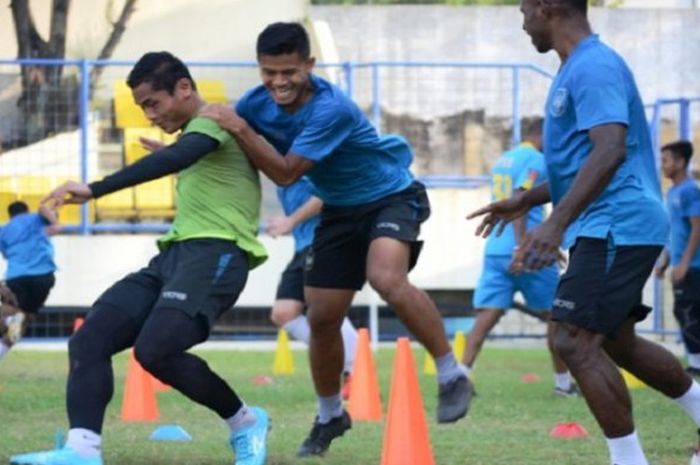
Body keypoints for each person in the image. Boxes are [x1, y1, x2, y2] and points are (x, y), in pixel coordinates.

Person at [201, 22, 472, 457]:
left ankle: (451, 374)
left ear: (308, 64)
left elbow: (286, 171)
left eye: (289, 71)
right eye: (269, 72)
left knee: (386, 278)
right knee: (323, 317)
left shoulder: (333, 109)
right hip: (339, 209)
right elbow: (225, 139)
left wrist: (238, 127)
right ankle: (330, 415)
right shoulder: (256, 103)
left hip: (390, 196)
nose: (278, 82)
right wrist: (179, 153)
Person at [10, 52, 269, 465]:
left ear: (184, 88)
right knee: (89, 339)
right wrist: (176, 149)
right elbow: (182, 156)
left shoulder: (215, 118)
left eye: (153, 103)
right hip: (172, 257)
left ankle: (245, 421)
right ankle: (81, 450)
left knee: (155, 350)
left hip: (217, 253)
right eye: (142, 107)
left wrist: (95, 189)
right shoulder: (194, 135)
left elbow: (176, 157)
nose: (149, 114)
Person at [470, 2, 700, 464]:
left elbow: (611, 148)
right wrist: (527, 200)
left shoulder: (593, 66)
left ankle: (628, 460)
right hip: (610, 223)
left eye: (524, 9)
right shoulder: (576, 68)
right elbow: (581, 163)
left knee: (572, 338)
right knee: (616, 342)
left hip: (618, 222)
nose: (522, 20)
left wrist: (554, 224)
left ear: (547, 6)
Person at [464, 118, 576, 397]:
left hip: (495, 249)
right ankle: (563, 385)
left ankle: (460, 378)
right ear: (545, 136)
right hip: (528, 253)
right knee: (556, 317)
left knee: (485, 317)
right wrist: (522, 247)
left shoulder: (506, 158)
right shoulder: (536, 160)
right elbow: (521, 201)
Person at [267, 177, 357, 399]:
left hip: (326, 240)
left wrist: (291, 220)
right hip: (304, 245)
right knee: (284, 313)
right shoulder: (280, 163)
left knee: (325, 310)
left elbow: (330, 190)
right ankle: (348, 358)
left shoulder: (305, 155)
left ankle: (356, 371)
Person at [656, 140, 700, 376]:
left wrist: (684, 263)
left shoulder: (690, 190)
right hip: (682, 264)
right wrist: (665, 261)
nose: (662, 165)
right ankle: (695, 363)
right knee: (685, 312)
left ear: (681, 162)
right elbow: (676, 232)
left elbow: (697, 227)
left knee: (687, 311)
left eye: (666, 160)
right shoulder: (672, 192)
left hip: (694, 267)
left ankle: (696, 365)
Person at [0, 200, 58, 363]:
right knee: (23, 321)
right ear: (26, 210)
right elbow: (45, 210)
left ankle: (8, 320)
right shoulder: (36, 218)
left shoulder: (4, 231)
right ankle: (12, 323)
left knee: (8, 316)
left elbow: (5, 255)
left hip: (18, 277)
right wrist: (55, 222)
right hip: (45, 277)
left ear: (10, 215)